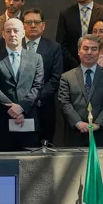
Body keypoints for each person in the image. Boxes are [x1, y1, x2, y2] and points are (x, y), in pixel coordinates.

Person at [0, 18, 44, 152]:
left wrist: (22, 107)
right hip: (1, 123)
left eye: (16, 31)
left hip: (28, 122)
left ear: (23, 33)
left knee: (29, 163)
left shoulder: (36, 58)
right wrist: (12, 109)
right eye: (8, 31)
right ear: (3, 34)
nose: (12, 34)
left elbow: (38, 87)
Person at [58, 34, 103, 148]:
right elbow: (64, 102)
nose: (89, 52)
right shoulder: (67, 77)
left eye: (94, 49)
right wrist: (78, 123)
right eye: (85, 48)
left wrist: (98, 124)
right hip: (75, 135)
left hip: (101, 134)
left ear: (99, 52)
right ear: (78, 51)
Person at [21, 9, 63, 145]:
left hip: (44, 107)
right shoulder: (14, 46)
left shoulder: (54, 48)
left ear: (43, 25)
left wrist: (36, 98)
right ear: (23, 25)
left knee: (44, 147)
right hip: (18, 108)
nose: (33, 25)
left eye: (36, 22)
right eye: (28, 22)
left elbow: (55, 78)